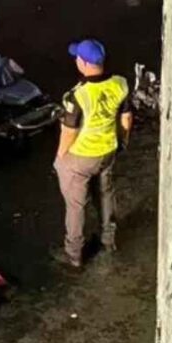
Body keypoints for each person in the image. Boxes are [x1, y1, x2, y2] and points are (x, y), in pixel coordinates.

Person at [52, 39, 133, 268]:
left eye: (77, 57)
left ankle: (74, 254)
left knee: (76, 205)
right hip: (108, 150)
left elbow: (69, 131)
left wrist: (60, 157)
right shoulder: (120, 84)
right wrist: (122, 143)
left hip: (80, 156)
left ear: (84, 63)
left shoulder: (78, 95)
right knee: (105, 193)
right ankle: (109, 240)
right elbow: (126, 119)